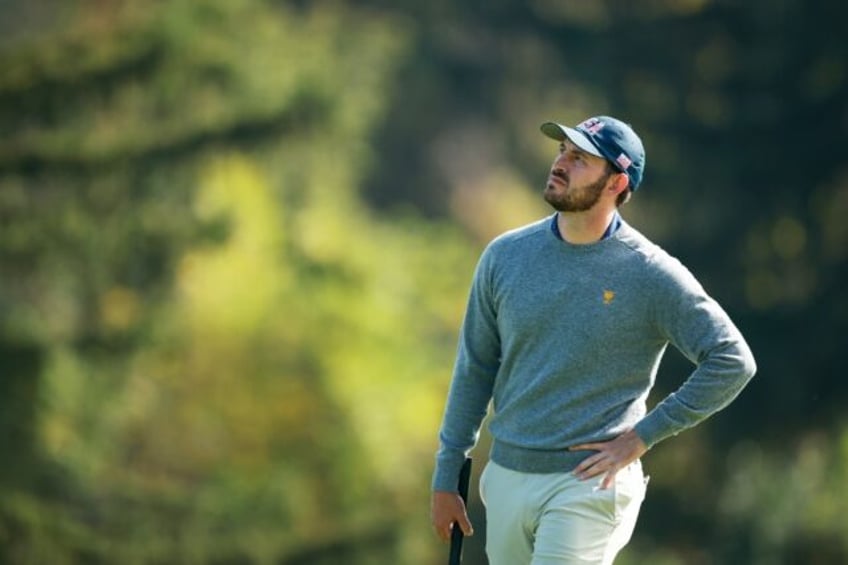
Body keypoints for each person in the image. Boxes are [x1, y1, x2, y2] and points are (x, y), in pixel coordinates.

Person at [430, 115, 757, 565]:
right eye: (562, 151)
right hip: (506, 476)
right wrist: (446, 475)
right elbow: (476, 367)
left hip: (590, 485)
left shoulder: (649, 272)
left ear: (616, 182)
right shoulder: (504, 256)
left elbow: (732, 359)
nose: (561, 164)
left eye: (580, 159)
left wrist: (641, 438)